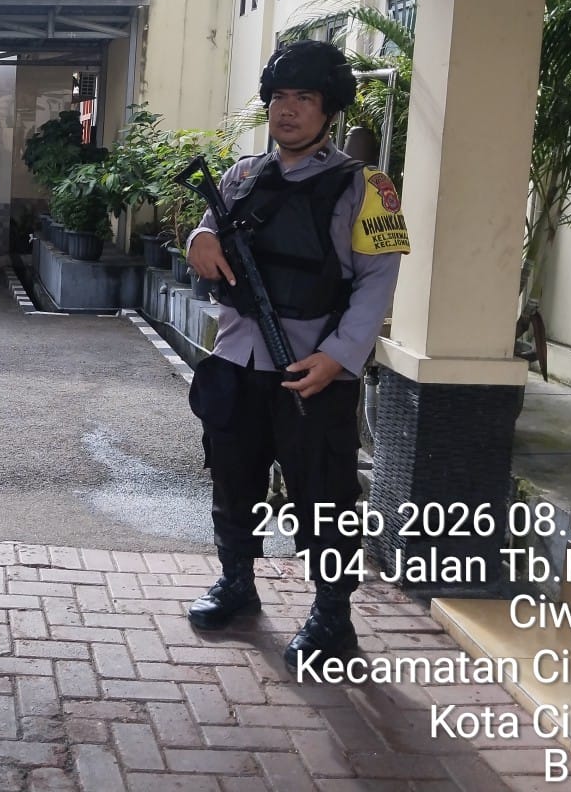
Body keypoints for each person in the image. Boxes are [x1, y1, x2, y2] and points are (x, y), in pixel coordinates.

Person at [183, 39, 410, 670]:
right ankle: (236, 582)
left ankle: (333, 616)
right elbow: (208, 233)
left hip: (314, 372)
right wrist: (200, 237)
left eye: (304, 98)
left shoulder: (366, 186)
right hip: (238, 361)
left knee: (325, 496)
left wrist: (339, 357)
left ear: (329, 108)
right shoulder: (242, 176)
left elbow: (378, 281)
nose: (287, 110)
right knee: (234, 479)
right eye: (279, 97)